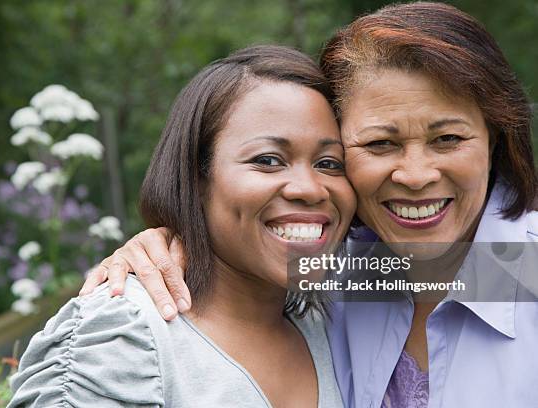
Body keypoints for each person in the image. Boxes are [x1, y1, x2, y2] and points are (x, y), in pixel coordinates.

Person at [79, 2, 538, 408]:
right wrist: (169, 239)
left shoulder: (524, 272)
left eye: (449, 139)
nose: (415, 175)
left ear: (494, 139)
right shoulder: (344, 272)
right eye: (380, 143)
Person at [8, 45, 353, 407]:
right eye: (268, 160)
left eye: (330, 163)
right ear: (196, 178)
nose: (310, 189)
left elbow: (418, 270)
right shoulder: (123, 337)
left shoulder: (337, 318)